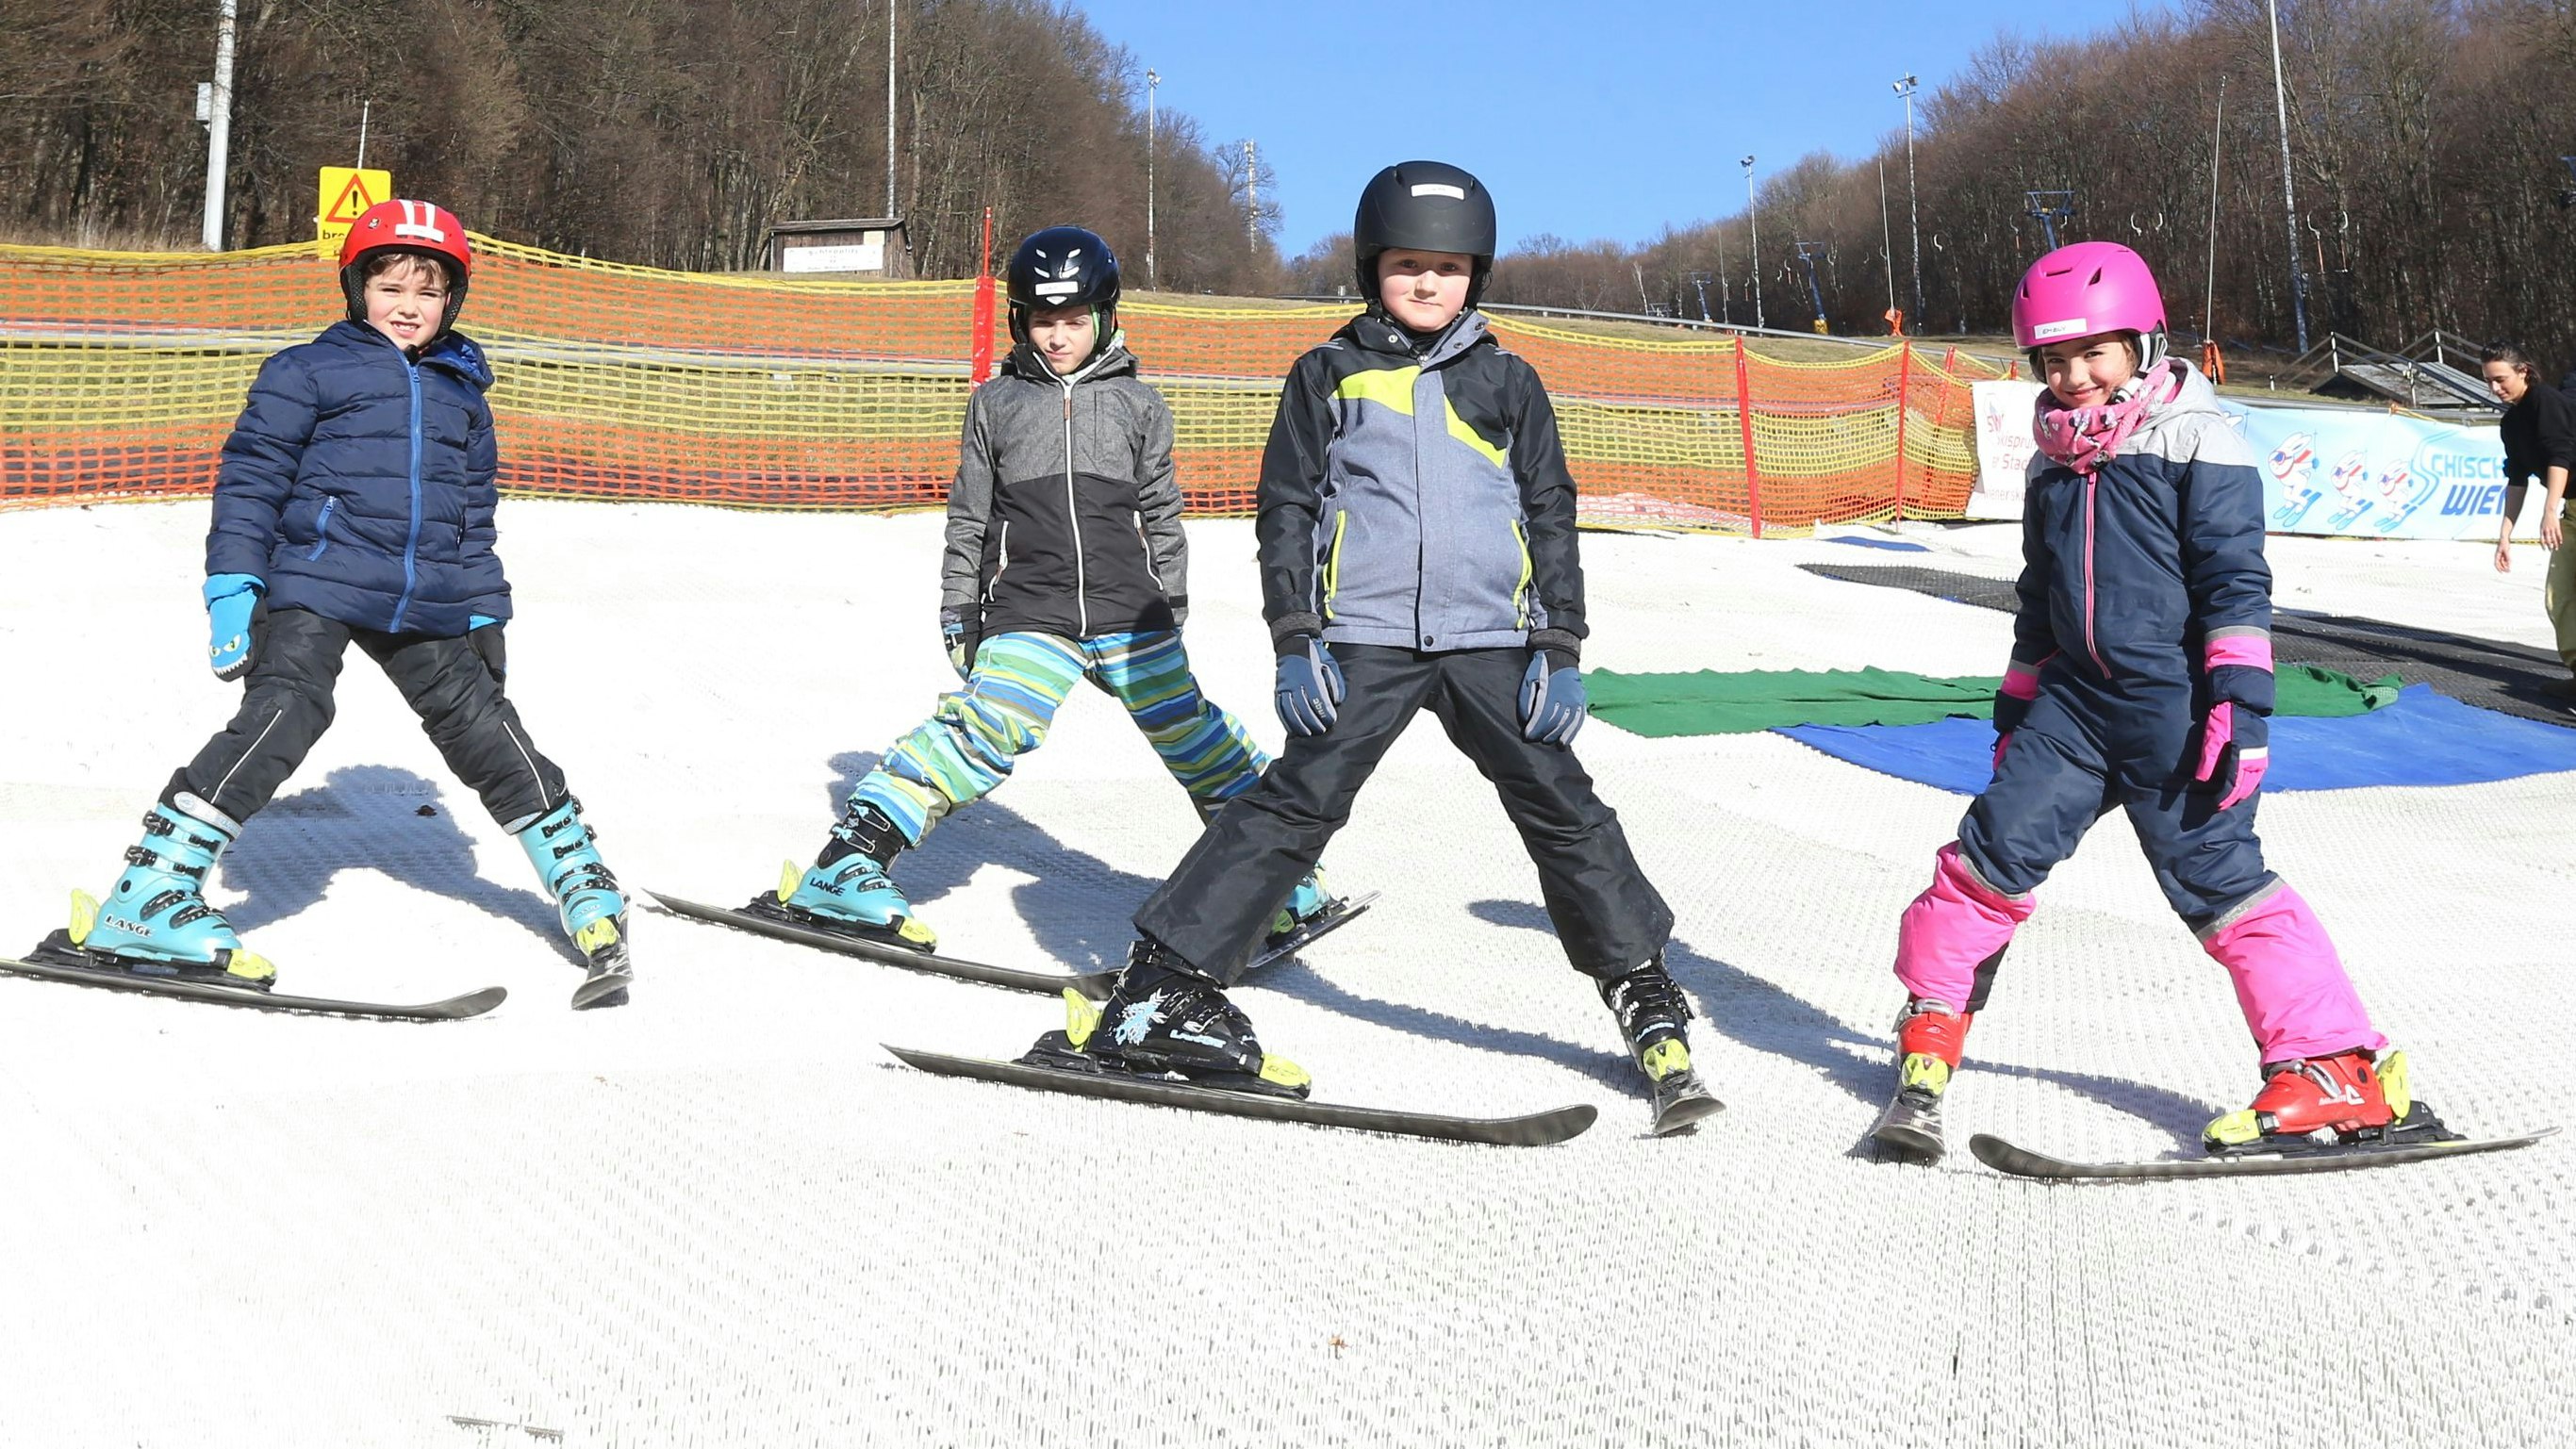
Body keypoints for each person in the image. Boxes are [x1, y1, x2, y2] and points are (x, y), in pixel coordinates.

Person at [1029, 162, 1718, 1135]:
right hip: (1362, 635)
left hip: (1489, 639)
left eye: (1447, 266)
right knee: (1298, 798)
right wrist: (1294, 635)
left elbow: (1550, 513)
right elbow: (1287, 509)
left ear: (1475, 271)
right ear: (1370, 267)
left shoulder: (1509, 383)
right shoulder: (1327, 375)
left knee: (1560, 805)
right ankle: (1162, 987)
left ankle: (1640, 987)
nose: (1428, 283)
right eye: (1406, 265)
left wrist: (1558, 641)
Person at [1869, 240, 2436, 1161]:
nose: (2074, 376)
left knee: (2217, 877)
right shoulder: (2053, 457)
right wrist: (2016, 713)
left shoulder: (2193, 435)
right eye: (2052, 361)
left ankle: (2334, 1066)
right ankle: (1931, 1024)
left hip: (2173, 708)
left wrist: (2238, 707)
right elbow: (2039, 600)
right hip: (2073, 706)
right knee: (1986, 854)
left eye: (2093, 352)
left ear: (2141, 339)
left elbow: (2233, 581)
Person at [58, 199, 632, 1009]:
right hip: (318, 576)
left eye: (427, 291)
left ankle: (582, 883)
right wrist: (233, 584)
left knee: (486, 730)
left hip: (424, 592)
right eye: (388, 284)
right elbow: (251, 481)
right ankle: (146, 897)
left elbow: (473, 515)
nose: (406, 305)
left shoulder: (465, 390)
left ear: (452, 301)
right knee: (289, 708)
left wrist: (483, 607)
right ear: (356, 287)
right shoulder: (308, 369)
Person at [766, 225, 1340, 953]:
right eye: (1044, 320)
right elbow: (970, 517)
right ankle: (847, 863)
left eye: (1074, 320)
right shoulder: (996, 404)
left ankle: (1276, 877)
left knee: (1197, 738)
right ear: (1020, 320)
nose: (1060, 336)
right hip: (1030, 610)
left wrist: (1173, 603)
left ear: (1104, 316)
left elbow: (1162, 514)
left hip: (1132, 613)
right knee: (983, 727)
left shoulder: (1140, 406)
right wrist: (958, 609)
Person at [2481, 344, 2576, 695]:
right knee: (2560, 595)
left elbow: (2560, 456)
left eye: (2501, 379)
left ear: (2523, 371)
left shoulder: (2545, 401)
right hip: (2572, 510)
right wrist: (2504, 535)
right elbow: (2517, 479)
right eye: (2489, 381)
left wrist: (2549, 510)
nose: (2495, 388)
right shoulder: (2511, 422)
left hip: (2562, 505)